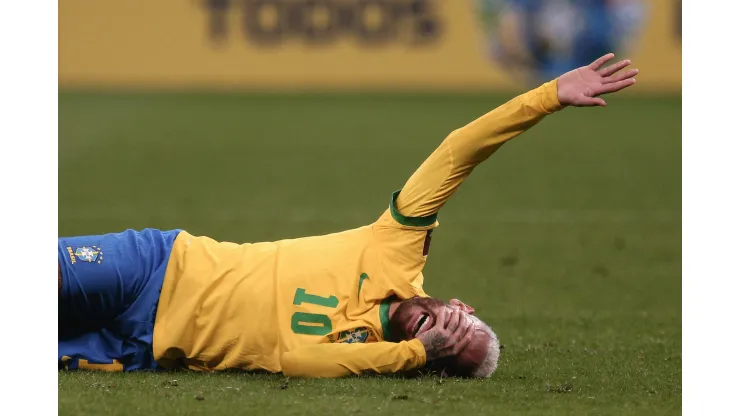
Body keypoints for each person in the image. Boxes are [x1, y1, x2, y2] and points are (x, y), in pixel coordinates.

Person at [58, 54, 638, 378]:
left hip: (147, 350)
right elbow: (457, 153)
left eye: (447, 351)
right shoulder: (396, 251)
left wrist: (414, 355)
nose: (440, 334)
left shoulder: (364, 353)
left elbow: (297, 358)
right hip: (159, 265)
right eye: (457, 329)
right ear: (458, 307)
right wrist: (546, 97)